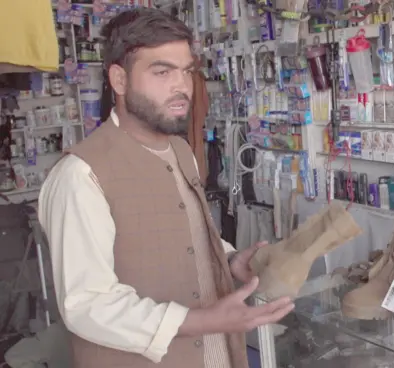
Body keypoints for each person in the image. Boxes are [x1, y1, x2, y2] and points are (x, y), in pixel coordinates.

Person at [38, 9, 294, 368]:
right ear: (120, 80)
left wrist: (231, 259)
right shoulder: (80, 176)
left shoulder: (180, 150)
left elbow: (180, 232)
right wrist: (201, 321)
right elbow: (86, 304)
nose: (182, 87)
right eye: (162, 72)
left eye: (187, 71)